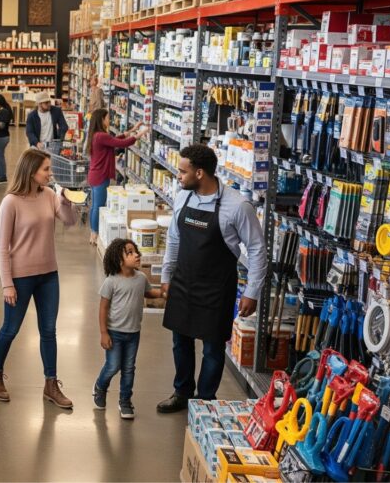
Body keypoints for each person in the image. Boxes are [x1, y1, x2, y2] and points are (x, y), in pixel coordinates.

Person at [157, 144, 267, 413]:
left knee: (213, 348)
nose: (178, 176)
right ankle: (182, 392)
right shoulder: (183, 198)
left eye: (183, 171)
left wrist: (252, 292)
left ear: (200, 173)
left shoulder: (237, 206)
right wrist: (166, 275)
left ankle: (205, 400)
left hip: (217, 287)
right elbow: (174, 239)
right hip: (183, 280)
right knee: (180, 341)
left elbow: (257, 249)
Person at [0, 147, 78, 408]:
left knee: (49, 330)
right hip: (20, 278)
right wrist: (7, 283)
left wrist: (66, 200)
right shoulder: (11, 202)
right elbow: (1, 247)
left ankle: (51, 384)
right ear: (31, 172)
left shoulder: (49, 195)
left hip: (49, 274)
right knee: (10, 329)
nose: (50, 173)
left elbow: (70, 221)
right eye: (46, 169)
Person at [93, 238, 162, 419]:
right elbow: (103, 308)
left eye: (136, 251)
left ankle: (125, 401)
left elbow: (148, 292)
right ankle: (100, 386)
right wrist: (103, 333)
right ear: (118, 259)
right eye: (129, 253)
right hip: (114, 332)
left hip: (133, 333)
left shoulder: (141, 278)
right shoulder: (111, 281)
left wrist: (163, 293)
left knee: (129, 368)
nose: (136, 255)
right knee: (113, 366)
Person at [85, 109, 149, 245]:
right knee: (98, 205)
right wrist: (140, 134)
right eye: (108, 118)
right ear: (102, 120)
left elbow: (115, 140)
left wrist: (133, 130)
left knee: (95, 205)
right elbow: (122, 143)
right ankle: (94, 233)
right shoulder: (101, 136)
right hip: (100, 176)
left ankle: (93, 232)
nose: (109, 120)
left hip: (96, 174)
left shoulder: (97, 135)